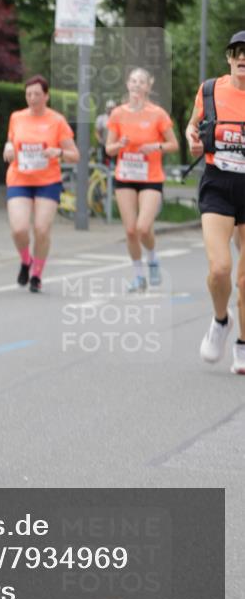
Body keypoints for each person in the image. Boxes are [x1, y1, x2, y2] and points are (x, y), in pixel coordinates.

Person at [186, 30, 245, 375]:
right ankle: (221, 320)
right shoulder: (210, 90)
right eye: (238, 52)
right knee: (220, 268)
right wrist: (193, 138)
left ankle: (243, 345)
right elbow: (193, 127)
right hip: (218, 183)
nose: (243, 58)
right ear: (229, 58)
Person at [3, 75, 79, 292]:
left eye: (37, 94)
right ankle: (25, 260)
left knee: (42, 229)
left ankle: (36, 274)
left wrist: (58, 152)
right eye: (28, 94)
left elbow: (75, 155)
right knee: (19, 229)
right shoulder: (17, 117)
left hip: (47, 181)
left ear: (46, 96)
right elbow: (11, 141)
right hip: (19, 178)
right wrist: (8, 147)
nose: (32, 98)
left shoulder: (57, 121)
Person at [105, 67, 179, 292]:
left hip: (150, 177)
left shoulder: (158, 114)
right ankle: (138, 276)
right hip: (126, 175)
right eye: (133, 81)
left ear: (148, 86)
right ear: (127, 84)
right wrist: (119, 145)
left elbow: (173, 145)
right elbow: (109, 149)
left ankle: (153, 258)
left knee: (143, 228)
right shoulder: (118, 114)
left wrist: (155, 146)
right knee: (130, 231)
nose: (136, 85)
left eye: (141, 82)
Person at [95, 99, 117, 165]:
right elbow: (97, 132)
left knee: (115, 162)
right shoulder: (101, 118)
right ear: (106, 108)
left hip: (115, 145)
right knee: (103, 162)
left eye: (112, 108)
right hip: (104, 144)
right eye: (109, 108)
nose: (111, 110)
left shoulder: (118, 118)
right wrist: (100, 141)